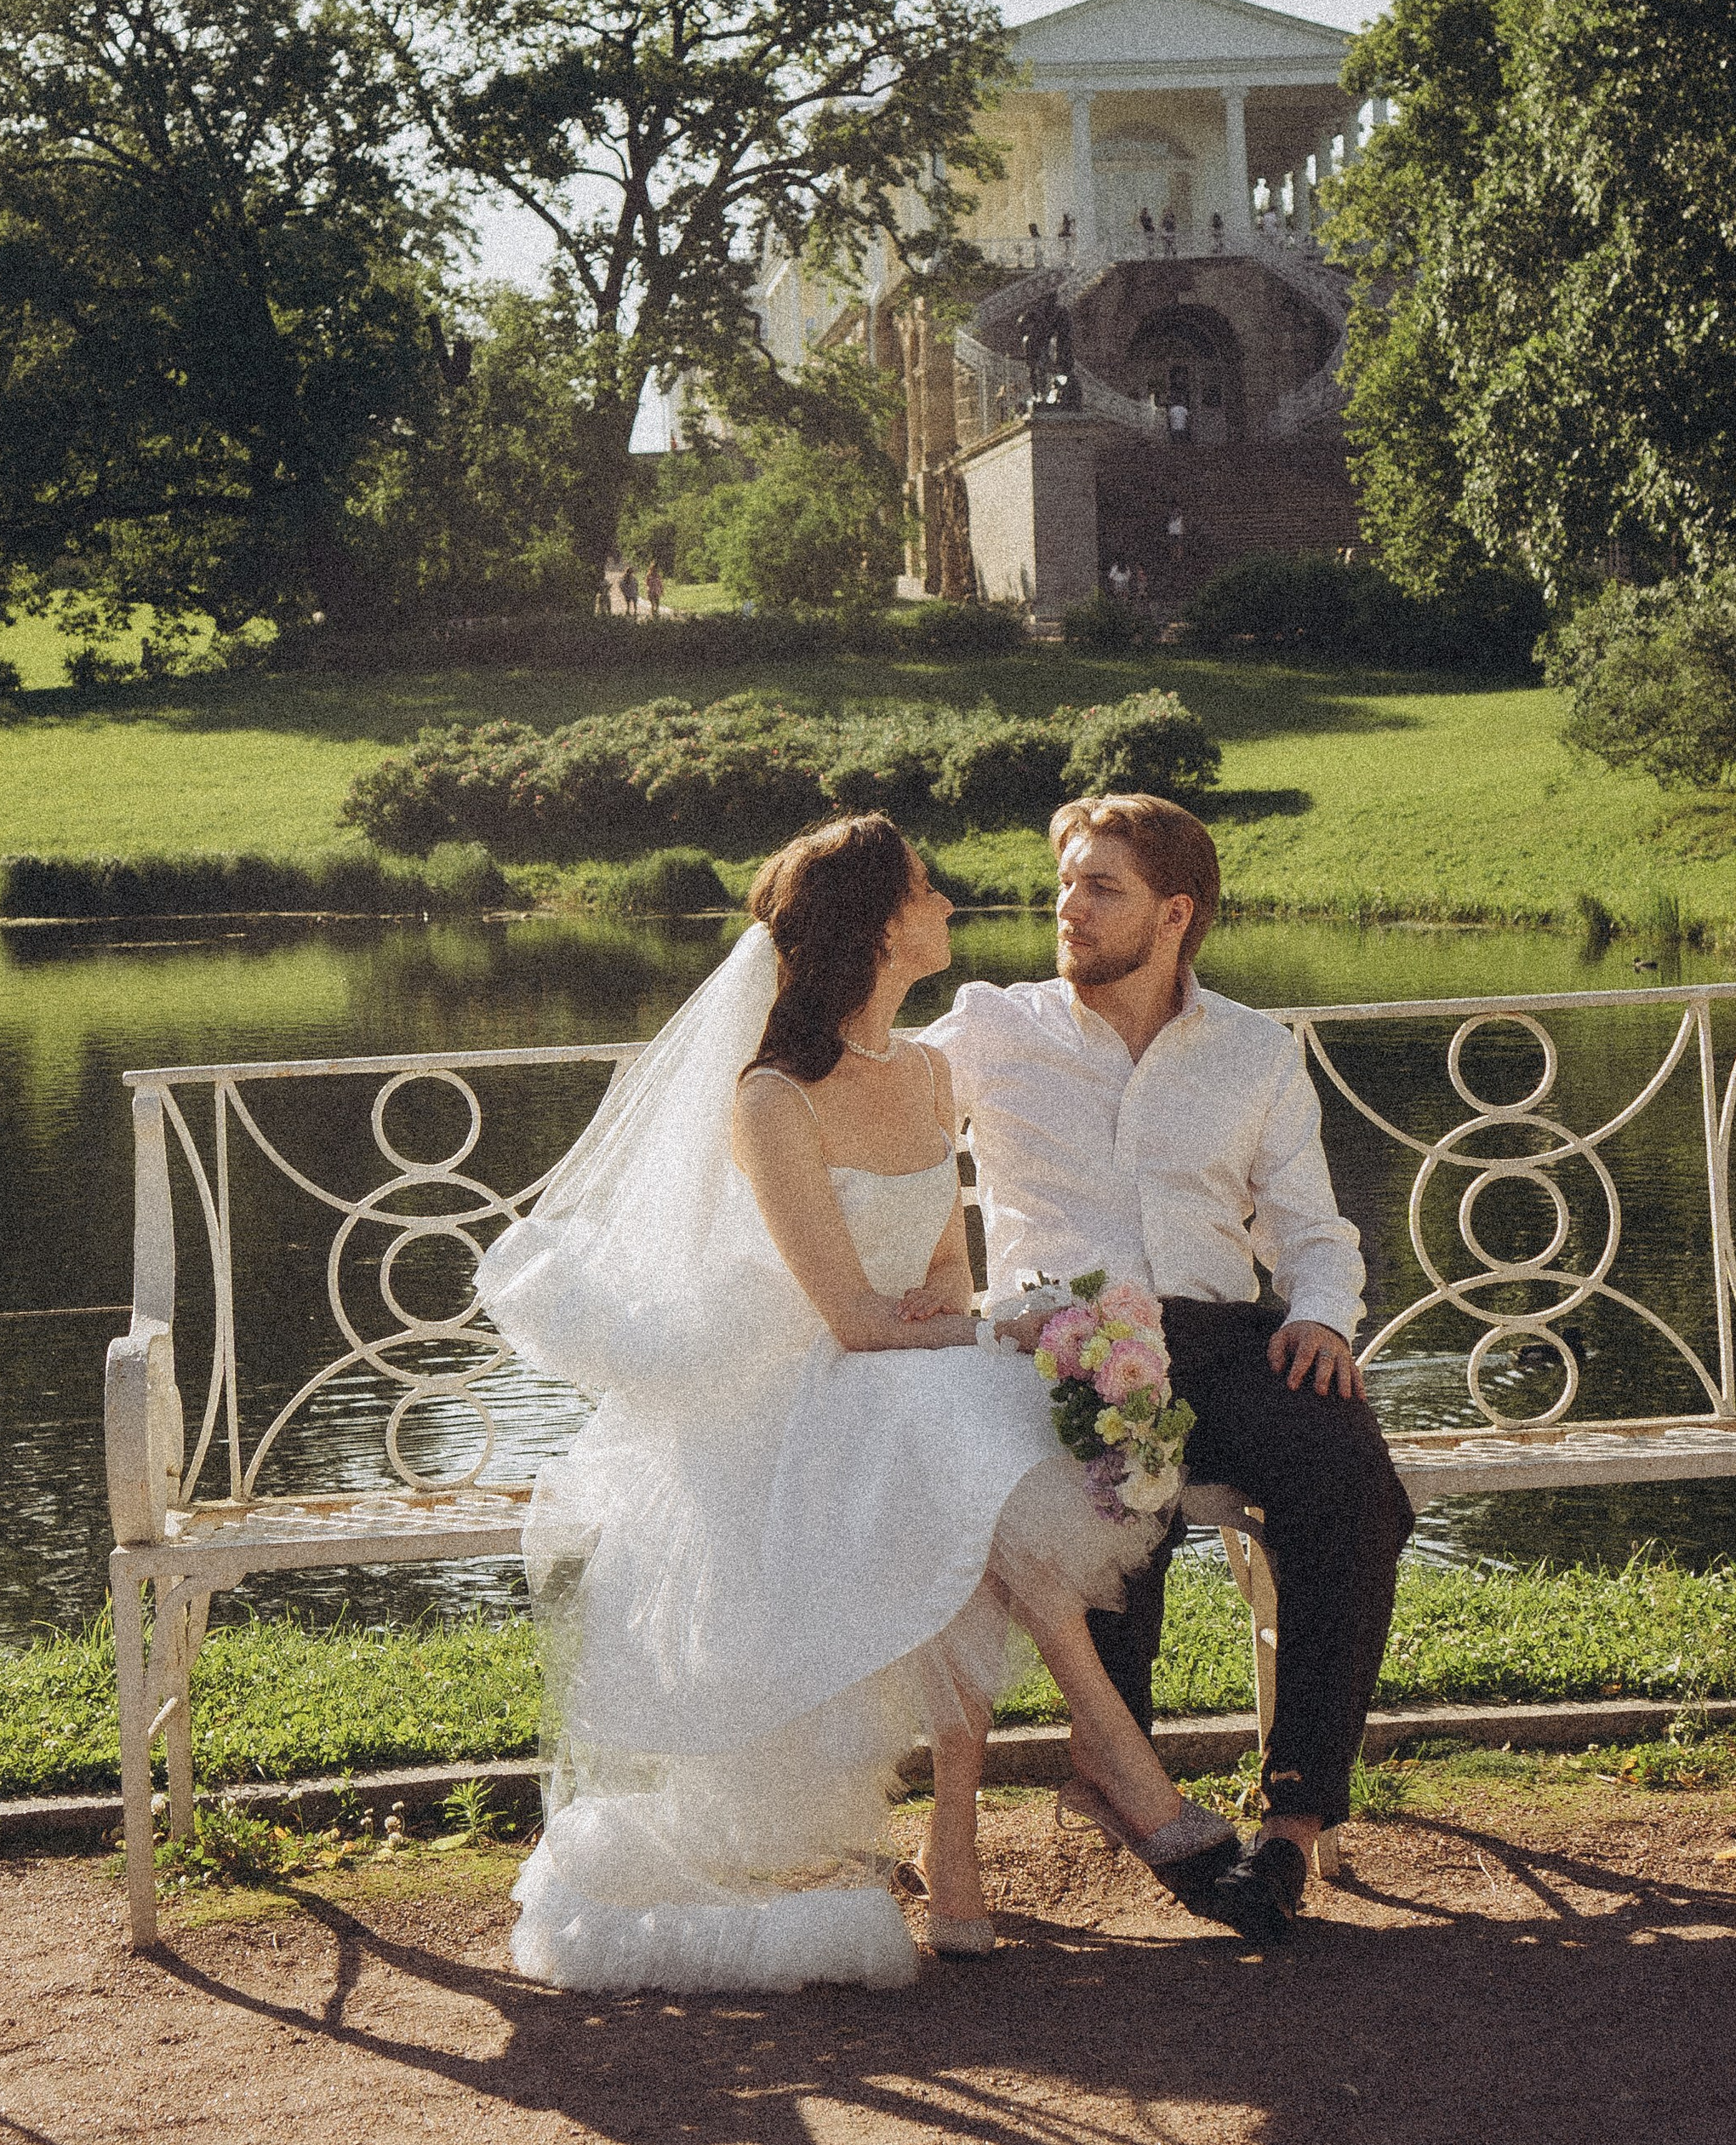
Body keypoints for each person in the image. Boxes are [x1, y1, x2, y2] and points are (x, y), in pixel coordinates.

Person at [475, 814, 1242, 1994]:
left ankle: (984, 1835)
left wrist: (973, 1321)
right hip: (786, 1399)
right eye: (926, 890)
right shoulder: (771, 1098)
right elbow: (845, 1313)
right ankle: (1111, 1782)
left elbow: (940, 1276)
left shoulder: (932, 1074)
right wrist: (955, 1328)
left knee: (975, 1450)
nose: (946, 903)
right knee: (967, 1456)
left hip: (899, 1379)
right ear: (884, 929)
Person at [923, 793, 1414, 1946]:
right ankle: (1123, 1774)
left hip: (1221, 1336)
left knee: (1353, 1483)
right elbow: (873, 1106)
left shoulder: (1252, 1050)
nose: (1069, 908)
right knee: (1116, 1482)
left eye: (1102, 889)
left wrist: (1328, 1320)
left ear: (1175, 913)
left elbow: (1313, 1230)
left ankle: (1291, 1828)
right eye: (1067, 884)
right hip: (1065, 1341)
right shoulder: (997, 1027)